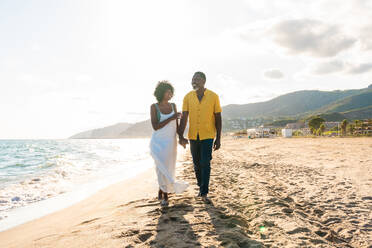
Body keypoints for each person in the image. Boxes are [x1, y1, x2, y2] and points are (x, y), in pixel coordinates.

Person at [178, 72, 222, 203]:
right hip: (193, 135)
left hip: (208, 135)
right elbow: (184, 117)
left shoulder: (213, 96)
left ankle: (204, 192)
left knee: (205, 163)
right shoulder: (187, 97)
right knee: (196, 164)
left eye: (196, 79)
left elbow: (218, 118)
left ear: (203, 81)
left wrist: (218, 138)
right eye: (192, 79)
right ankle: (200, 186)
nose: (194, 82)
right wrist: (180, 135)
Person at [149, 81, 188, 206]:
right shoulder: (154, 107)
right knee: (161, 168)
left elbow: (176, 126)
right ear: (161, 92)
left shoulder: (173, 106)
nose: (170, 94)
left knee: (169, 168)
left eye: (171, 92)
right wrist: (171, 118)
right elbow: (155, 126)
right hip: (158, 142)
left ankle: (162, 189)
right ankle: (165, 195)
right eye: (168, 91)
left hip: (171, 142)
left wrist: (181, 137)